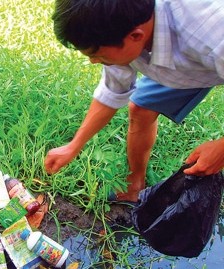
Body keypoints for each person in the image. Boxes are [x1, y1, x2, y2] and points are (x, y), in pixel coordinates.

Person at [44, 0, 224, 202]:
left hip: (209, 55)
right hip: (188, 66)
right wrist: (73, 146)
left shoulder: (210, 28)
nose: (92, 61)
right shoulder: (119, 26)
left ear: (136, 35)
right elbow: (112, 91)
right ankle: (134, 186)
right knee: (141, 108)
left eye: (98, 55)